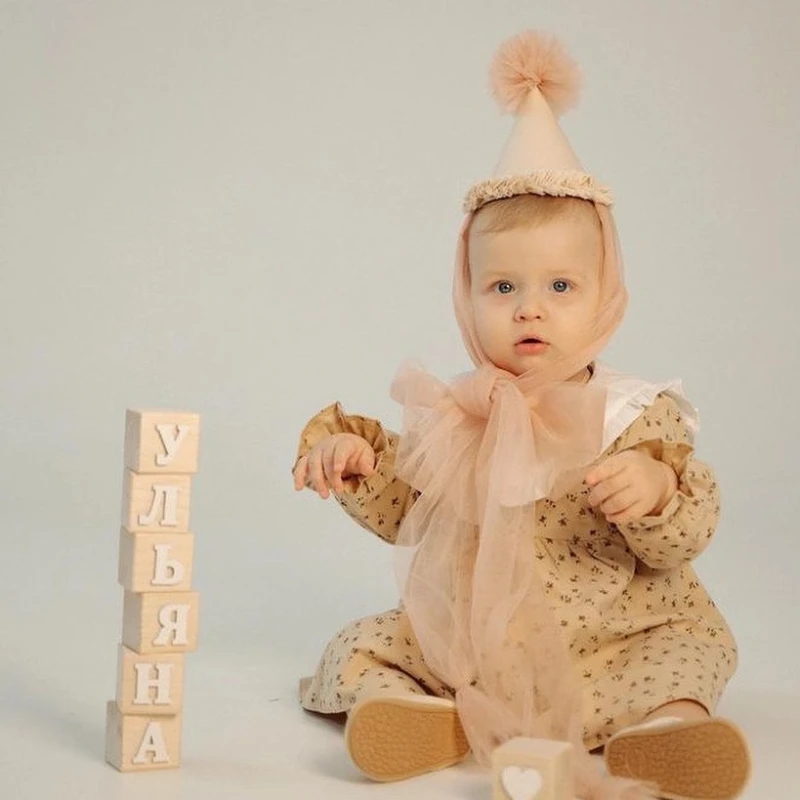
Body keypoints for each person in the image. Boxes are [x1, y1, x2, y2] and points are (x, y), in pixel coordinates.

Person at [291, 30, 751, 800]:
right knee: (359, 645)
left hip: (613, 638)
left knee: (687, 649)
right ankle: (410, 713)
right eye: (502, 288)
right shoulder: (457, 413)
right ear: (466, 296)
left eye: (561, 288)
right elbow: (414, 513)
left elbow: (685, 535)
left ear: (605, 295)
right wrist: (358, 462)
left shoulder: (637, 416)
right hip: (476, 640)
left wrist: (655, 492)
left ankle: (664, 731)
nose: (529, 309)